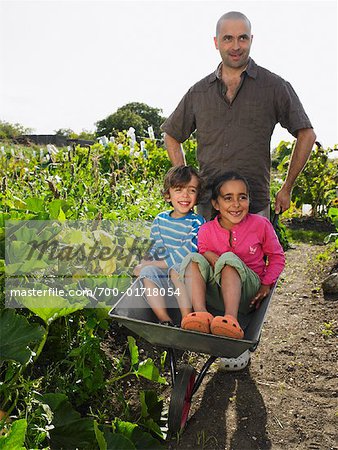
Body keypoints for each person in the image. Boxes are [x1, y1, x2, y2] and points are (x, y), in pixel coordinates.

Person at [161, 11, 316, 220]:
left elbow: (307, 134)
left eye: (242, 38)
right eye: (228, 38)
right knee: (207, 255)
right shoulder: (198, 92)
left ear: (251, 40)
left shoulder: (273, 86)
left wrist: (287, 187)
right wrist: (185, 185)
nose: (236, 46)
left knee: (254, 254)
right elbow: (172, 135)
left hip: (254, 205)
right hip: (209, 206)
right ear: (216, 42)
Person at [181, 171, 285, 339]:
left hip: (247, 294)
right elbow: (202, 251)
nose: (236, 204)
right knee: (192, 259)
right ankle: (201, 314)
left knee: (228, 260)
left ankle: (231, 319)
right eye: (228, 198)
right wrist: (210, 256)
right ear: (216, 204)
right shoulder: (206, 230)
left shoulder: (260, 225)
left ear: (249, 200)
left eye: (242, 197)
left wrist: (266, 285)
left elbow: (277, 257)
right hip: (216, 295)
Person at [133, 165, 205, 325]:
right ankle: (164, 319)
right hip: (162, 272)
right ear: (168, 195)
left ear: (197, 195)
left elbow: (188, 251)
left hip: (184, 277)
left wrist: (154, 263)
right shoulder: (160, 220)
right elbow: (155, 248)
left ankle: (187, 318)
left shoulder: (197, 222)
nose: (185, 195)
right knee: (148, 273)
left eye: (191, 190)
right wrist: (144, 264)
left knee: (175, 270)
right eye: (179, 190)